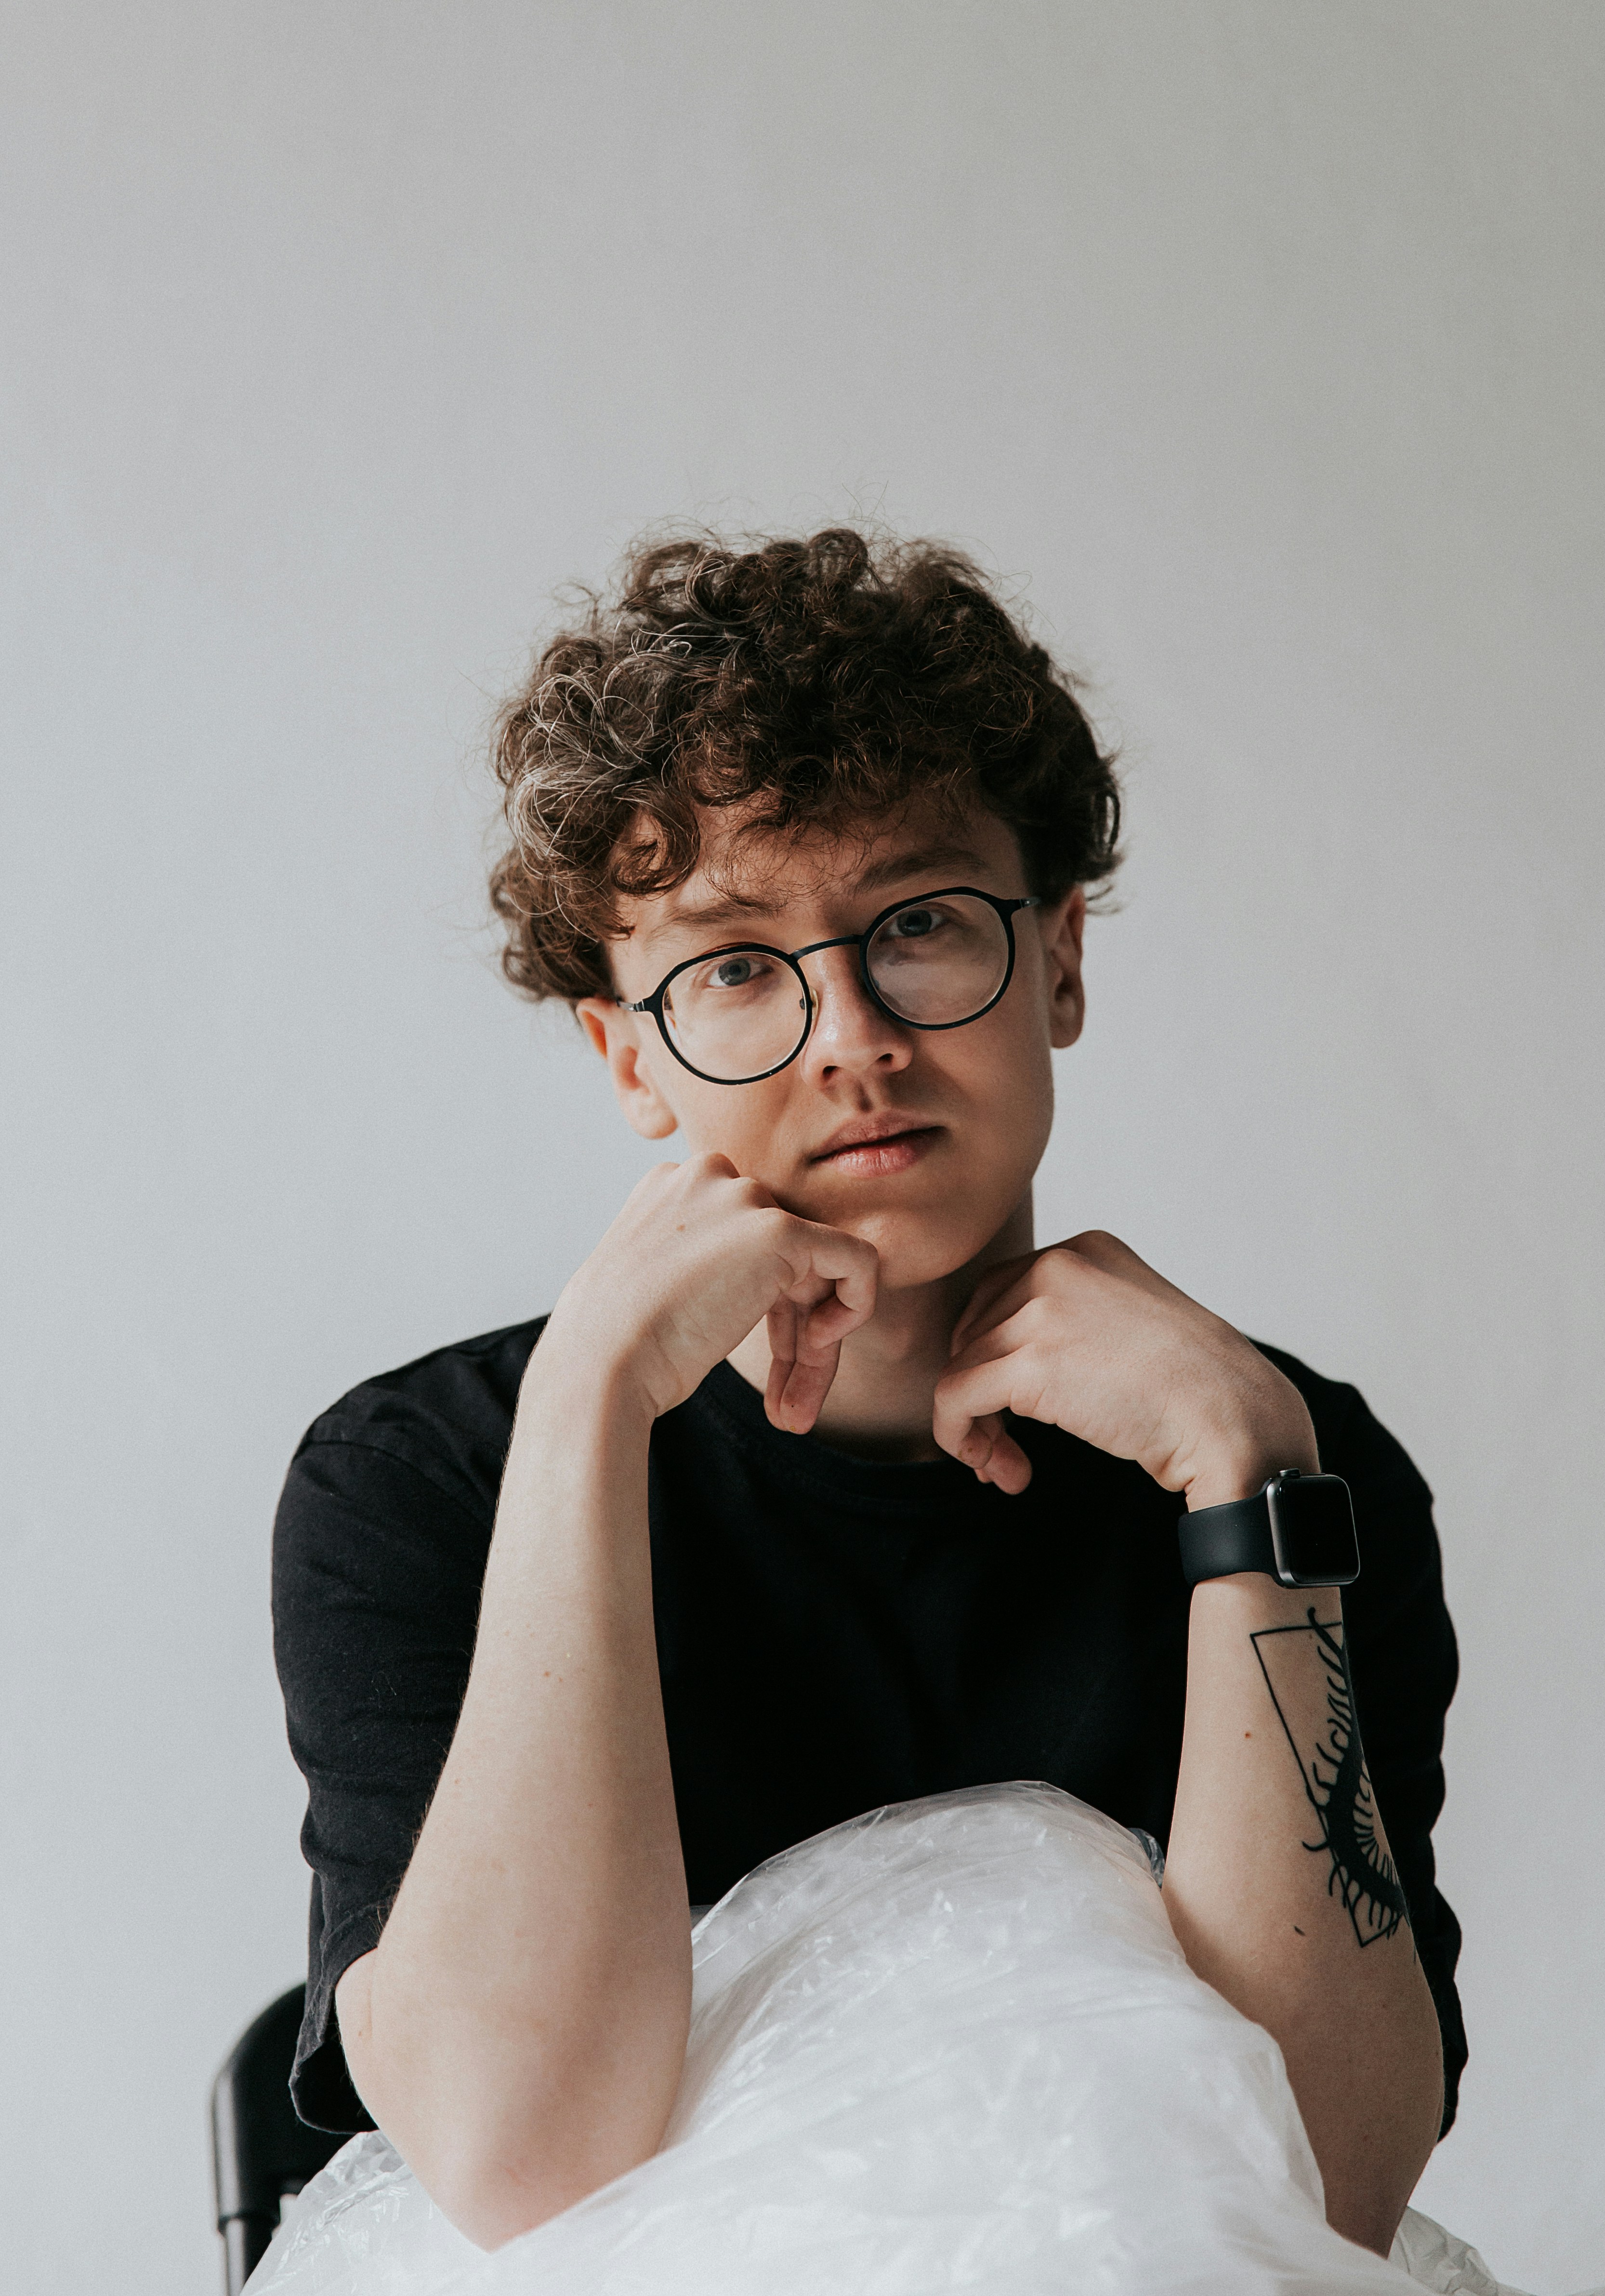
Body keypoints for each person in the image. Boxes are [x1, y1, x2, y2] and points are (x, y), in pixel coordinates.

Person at [271, 528, 1463, 2269]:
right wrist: (591, 1404)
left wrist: (1243, 1479)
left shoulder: (1296, 1462)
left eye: (914, 924)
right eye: (734, 965)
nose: (851, 1037)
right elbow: (522, 2166)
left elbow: (1327, 2187)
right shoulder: (418, 1478)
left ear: (1057, 959)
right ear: (626, 1053)